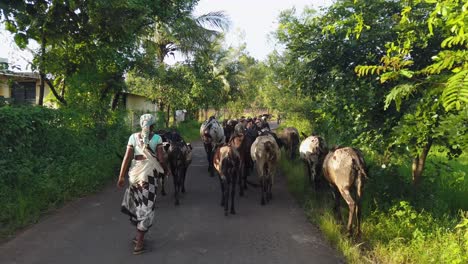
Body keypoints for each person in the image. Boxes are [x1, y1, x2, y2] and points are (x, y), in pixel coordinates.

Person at [117, 114, 166, 255]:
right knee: (147, 207)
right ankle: (139, 243)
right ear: (153, 126)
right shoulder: (157, 138)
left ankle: (137, 236)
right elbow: (161, 160)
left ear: (140, 125)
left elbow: (127, 158)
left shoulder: (133, 137)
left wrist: (121, 176)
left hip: (134, 175)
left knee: (139, 204)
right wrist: (165, 170)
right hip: (148, 176)